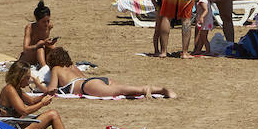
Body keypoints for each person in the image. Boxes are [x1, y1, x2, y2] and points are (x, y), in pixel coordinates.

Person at [0, 61, 81, 129]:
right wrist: (42, 103)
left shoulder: (15, 89)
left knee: (53, 114)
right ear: (19, 77)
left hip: (17, 125)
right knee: (53, 114)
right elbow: (24, 110)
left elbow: (31, 101)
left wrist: (46, 94)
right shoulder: (10, 90)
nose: (29, 81)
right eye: (27, 78)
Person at [46, 47, 175, 99]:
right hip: (96, 80)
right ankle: (159, 90)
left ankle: (147, 88)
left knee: (122, 90)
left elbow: (51, 90)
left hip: (87, 86)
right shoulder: (73, 67)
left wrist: (38, 84)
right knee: (125, 89)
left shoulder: (56, 69)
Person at [22, 0, 56, 68]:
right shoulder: (30, 28)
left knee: (53, 47)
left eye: (48, 21)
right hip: (30, 57)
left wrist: (49, 43)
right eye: (43, 22)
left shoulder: (49, 26)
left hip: (41, 56)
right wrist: (38, 45)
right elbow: (25, 48)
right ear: (37, 21)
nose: (46, 24)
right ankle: (44, 68)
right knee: (40, 47)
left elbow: (45, 43)